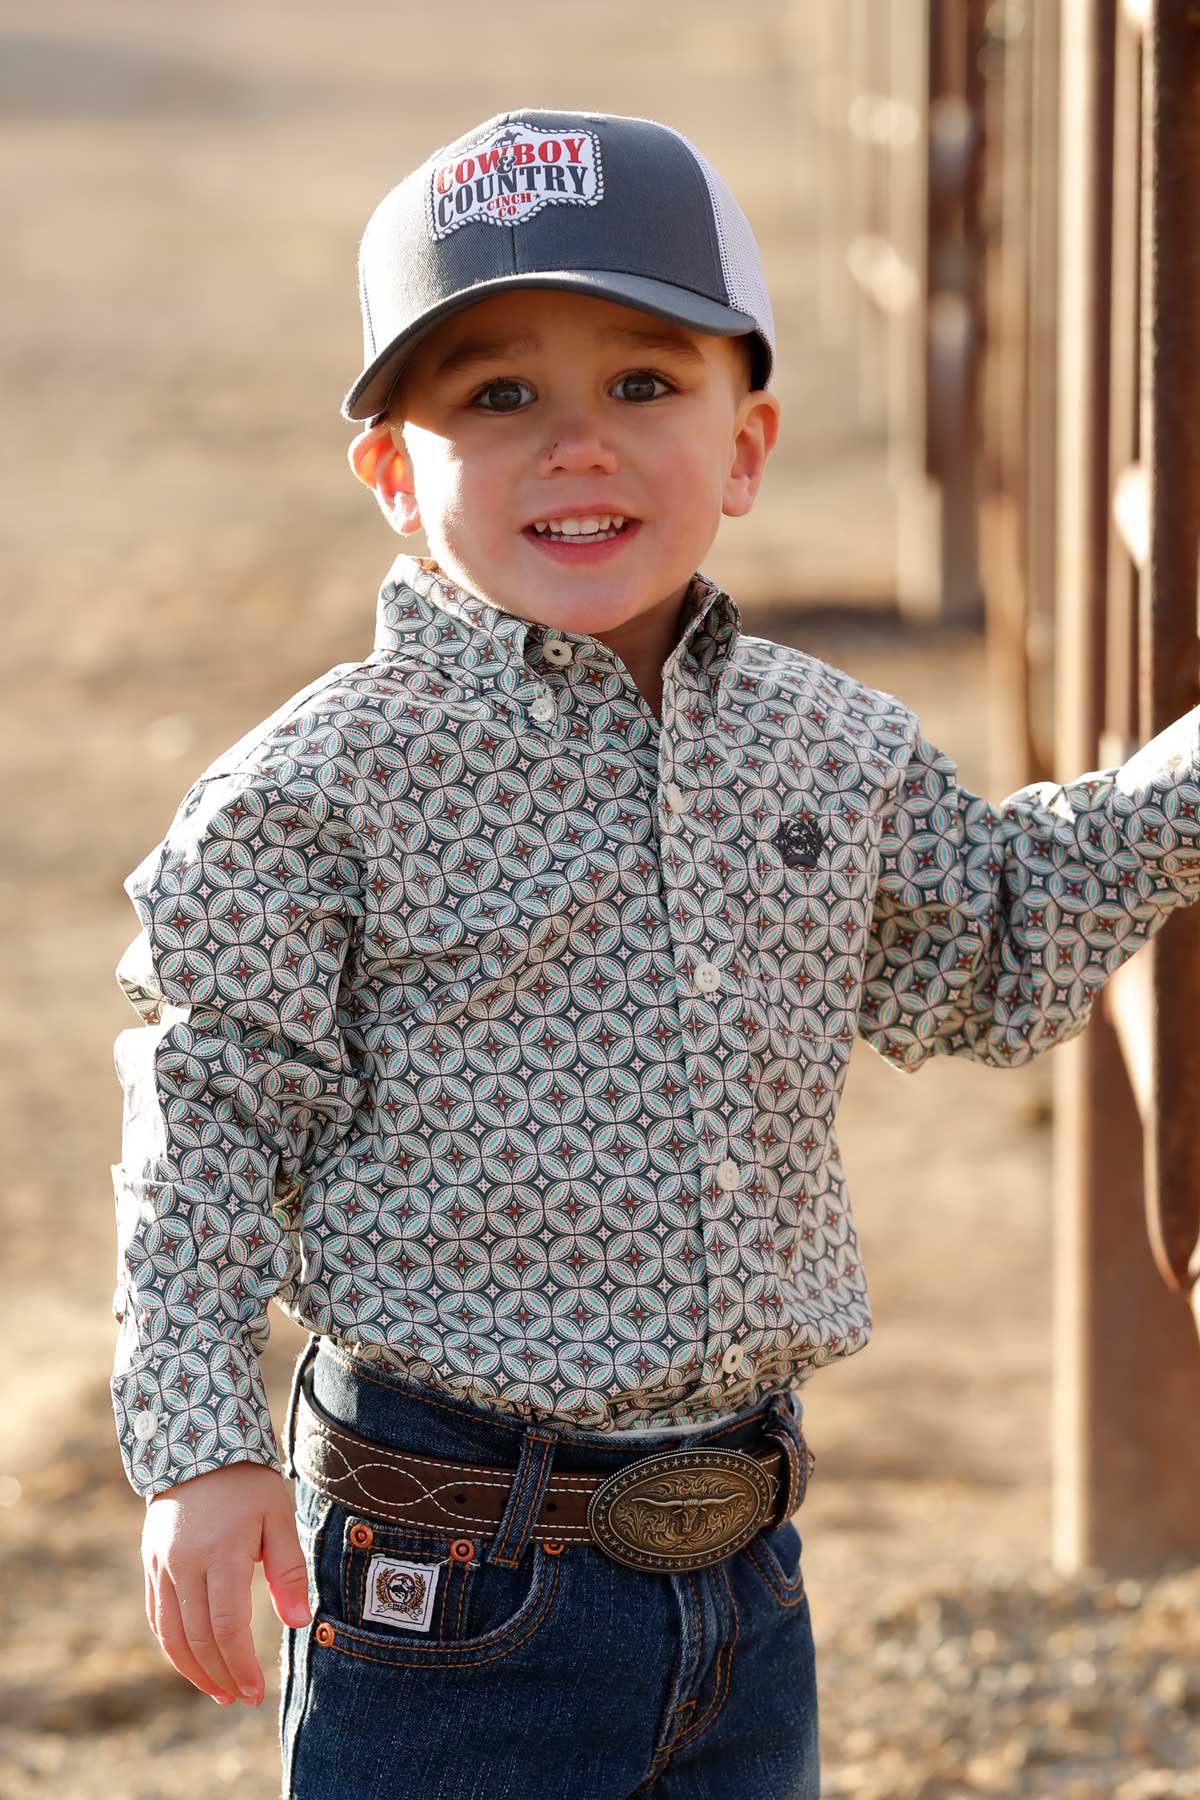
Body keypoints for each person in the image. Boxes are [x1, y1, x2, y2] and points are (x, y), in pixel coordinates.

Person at [108, 109, 1200, 1800]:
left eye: (642, 386)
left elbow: (986, 948)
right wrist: (198, 1447)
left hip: (745, 1569)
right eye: (497, 398)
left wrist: (1180, 781)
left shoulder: (827, 750)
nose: (578, 448)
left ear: (745, 444)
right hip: (445, 1580)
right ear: (395, 475)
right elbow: (207, 1129)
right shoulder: (314, 796)